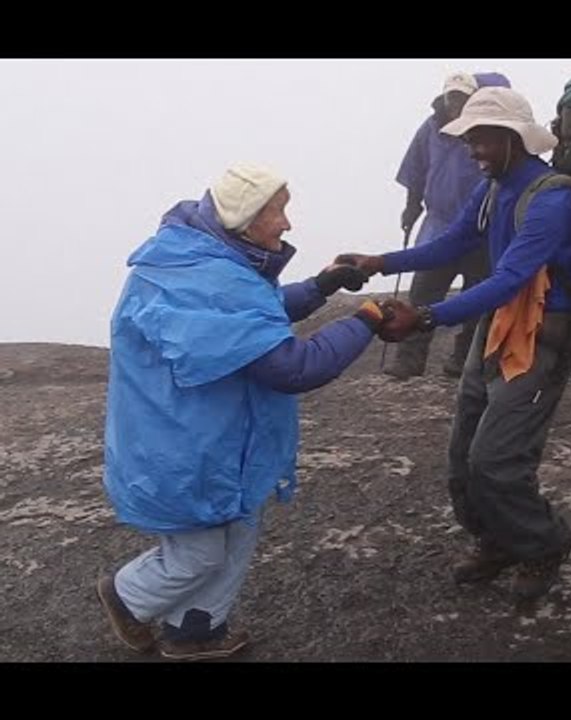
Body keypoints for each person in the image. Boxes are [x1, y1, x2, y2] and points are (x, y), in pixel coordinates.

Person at [97, 164, 389, 660]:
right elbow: (290, 367)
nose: (287, 223)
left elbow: (252, 311)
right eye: (276, 211)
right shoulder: (198, 282)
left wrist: (320, 286)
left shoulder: (206, 258)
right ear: (243, 219)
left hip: (215, 439)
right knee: (198, 552)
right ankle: (127, 595)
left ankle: (195, 629)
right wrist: (366, 321)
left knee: (237, 529)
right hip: (183, 448)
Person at [337, 87, 571, 602]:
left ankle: (545, 544)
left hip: (542, 335)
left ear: (514, 139)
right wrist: (378, 262)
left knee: (496, 458)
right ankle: (495, 539)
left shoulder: (553, 198)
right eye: (470, 140)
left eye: (481, 141)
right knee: (461, 455)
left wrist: (427, 316)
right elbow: (452, 243)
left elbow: (512, 277)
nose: (472, 151)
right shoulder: (495, 186)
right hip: (498, 327)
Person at [387, 71, 511, 380]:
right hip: (439, 225)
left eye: (460, 96)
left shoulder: (485, 129)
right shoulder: (431, 128)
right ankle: (409, 361)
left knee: (478, 296)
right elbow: (416, 169)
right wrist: (411, 207)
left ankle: (462, 361)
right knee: (423, 293)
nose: (454, 102)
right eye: (450, 96)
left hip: (480, 229)